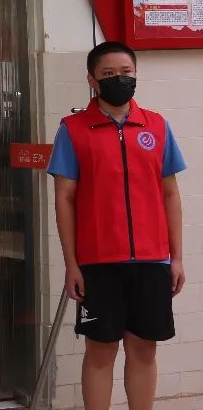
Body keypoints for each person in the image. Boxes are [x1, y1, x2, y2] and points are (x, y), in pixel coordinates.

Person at [49, 41, 186, 410]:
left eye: (126, 72)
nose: (119, 79)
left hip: (152, 261)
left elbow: (170, 194)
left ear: (136, 74)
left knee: (143, 348)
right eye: (108, 74)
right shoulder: (73, 130)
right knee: (100, 351)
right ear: (92, 80)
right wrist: (72, 263)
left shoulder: (157, 126)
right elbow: (64, 199)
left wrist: (176, 258)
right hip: (98, 263)